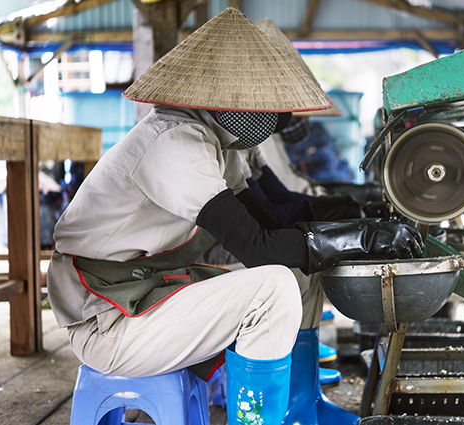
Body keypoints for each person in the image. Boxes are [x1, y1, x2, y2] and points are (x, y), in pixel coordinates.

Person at [46, 8, 424, 425]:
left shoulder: (213, 143)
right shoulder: (174, 144)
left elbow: (270, 220)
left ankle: (298, 409)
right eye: (266, 106)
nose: (274, 119)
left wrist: (355, 222)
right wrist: (359, 239)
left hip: (145, 296)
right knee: (273, 285)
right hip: (108, 322)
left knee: (298, 273)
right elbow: (257, 246)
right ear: (233, 100)